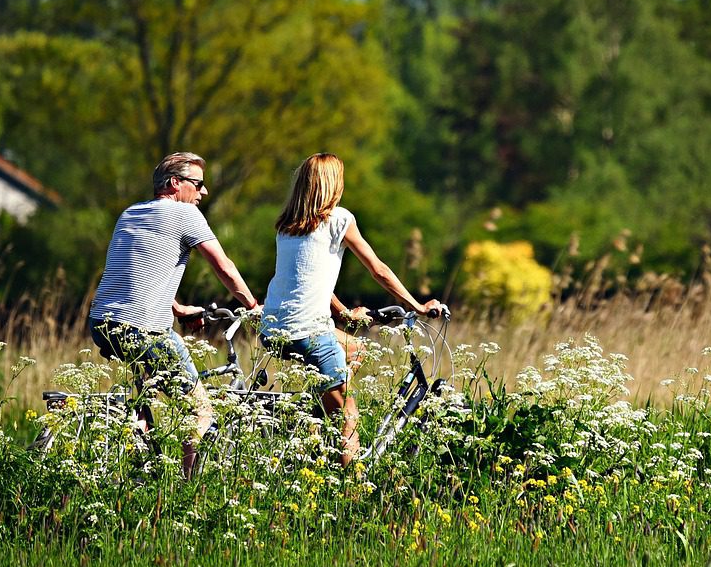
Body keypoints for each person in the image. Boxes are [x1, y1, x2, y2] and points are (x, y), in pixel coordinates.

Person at [261, 152, 444, 466]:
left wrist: (342, 312)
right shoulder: (339, 219)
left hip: (273, 326)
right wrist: (418, 306)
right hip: (309, 330)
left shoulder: (287, 226)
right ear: (334, 185)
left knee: (355, 348)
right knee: (349, 416)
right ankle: (351, 492)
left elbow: (306, 277)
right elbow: (378, 269)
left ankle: (317, 419)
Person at [89, 152, 260, 478]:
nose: (203, 192)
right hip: (143, 328)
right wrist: (253, 306)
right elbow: (223, 267)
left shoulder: (130, 213)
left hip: (102, 322)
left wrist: (178, 307)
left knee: (142, 404)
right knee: (200, 411)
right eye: (197, 184)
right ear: (174, 184)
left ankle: (139, 471)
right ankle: (187, 491)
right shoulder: (185, 215)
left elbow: (137, 273)